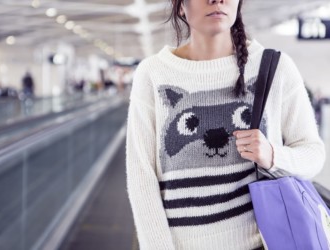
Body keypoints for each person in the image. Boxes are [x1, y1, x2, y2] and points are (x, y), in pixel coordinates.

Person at [125, 0, 326, 249]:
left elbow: (313, 154)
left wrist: (273, 155)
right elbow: (141, 176)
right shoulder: (154, 74)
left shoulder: (275, 68)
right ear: (180, 7)